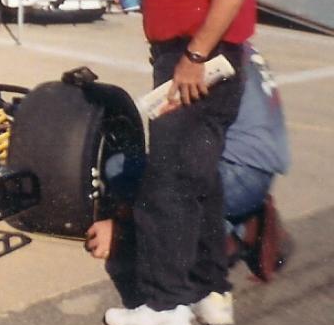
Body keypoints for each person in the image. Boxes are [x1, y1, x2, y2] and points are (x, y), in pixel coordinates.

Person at [103, 0, 258, 325]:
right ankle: (209, 291)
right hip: (191, 58)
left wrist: (193, 55)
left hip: (197, 64)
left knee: (167, 183)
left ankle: (164, 306)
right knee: (199, 181)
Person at [86, 43, 292, 308]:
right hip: (257, 173)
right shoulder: (238, 47)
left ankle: (234, 232)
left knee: (120, 167)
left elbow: (174, 158)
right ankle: (238, 223)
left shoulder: (200, 55)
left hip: (234, 173)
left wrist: (125, 229)